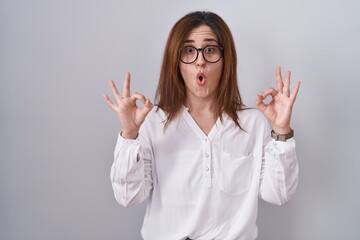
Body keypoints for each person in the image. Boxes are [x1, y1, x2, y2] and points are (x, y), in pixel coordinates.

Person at [103, 11, 301, 240]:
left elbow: (279, 194)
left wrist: (281, 131)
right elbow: (128, 196)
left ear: (225, 59)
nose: (200, 61)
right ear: (175, 62)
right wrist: (129, 135)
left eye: (210, 50)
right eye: (189, 50)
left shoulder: (252, 123)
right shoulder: (152, 121)